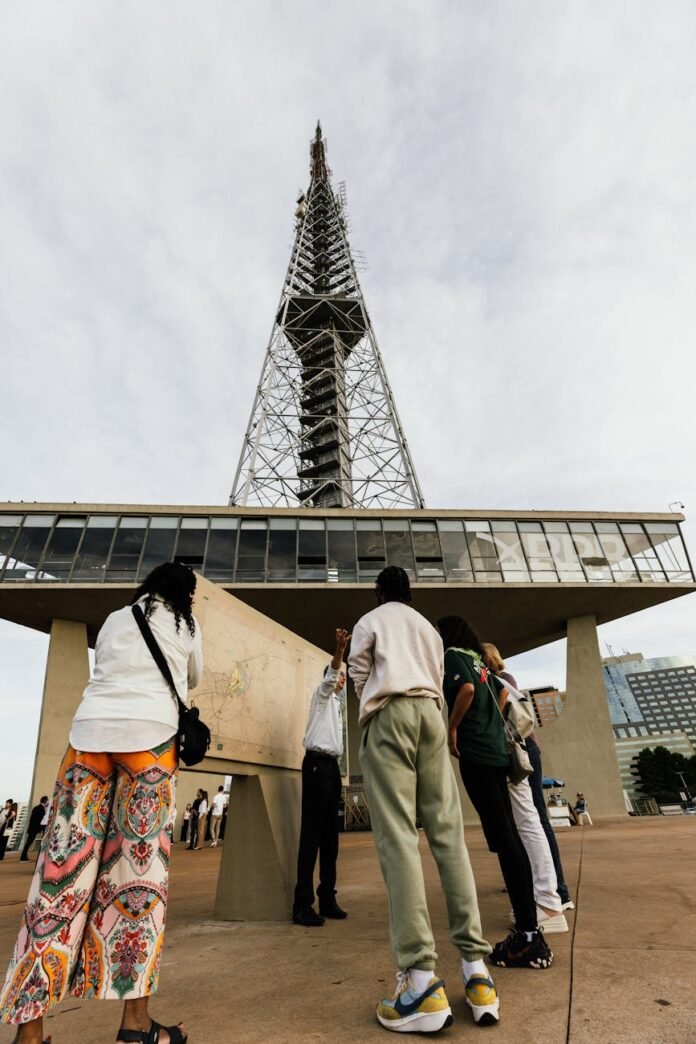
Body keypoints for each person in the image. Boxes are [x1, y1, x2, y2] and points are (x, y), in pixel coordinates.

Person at [0, 561, 203, 1044]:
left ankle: (30, 1034)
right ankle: (135, 1027)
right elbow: (192, 678)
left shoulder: (116, 618)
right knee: (140, 885)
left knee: (56, 885)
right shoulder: (187, 624)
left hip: (87, 741)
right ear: (187, 595)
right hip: (149, 746)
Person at [349, 568, 499, 1033]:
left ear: (379, 592)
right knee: (448, 839)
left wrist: (372, 702)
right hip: (432, 716)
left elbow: (357, 670)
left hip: (390, 712)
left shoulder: (371, 621)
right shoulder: (427, 629)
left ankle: (420, 981)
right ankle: (477, 973)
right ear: (410, 592)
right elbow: (437, 676)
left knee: (398, 840)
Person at [436, 616, 553, 971]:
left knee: (503, 838)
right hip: (499, 755)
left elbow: (467, 692)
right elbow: (502, 691)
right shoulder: (479, 659)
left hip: (478, 755)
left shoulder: (454, 657)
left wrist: (453, 727)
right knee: (509, 836)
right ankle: (529, 928)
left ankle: (529, 936)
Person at [481, 644, 568, 934]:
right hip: (523, 748)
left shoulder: (501, 679)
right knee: (529, 822)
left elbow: (503, 700)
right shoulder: (503, 678)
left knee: (534, 820)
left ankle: (553, 897)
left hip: (517, 750)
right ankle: (548, 895)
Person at [293, 628, 350, 927]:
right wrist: (339, 649)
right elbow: (330, 677)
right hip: (316, 766)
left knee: (331, 839)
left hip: (331, 769)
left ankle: (327, 897)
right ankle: (302, 905)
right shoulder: (321, 695)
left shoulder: (338, 708)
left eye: (344, 677)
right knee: (312, 836)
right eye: (340, 675)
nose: (343, 679)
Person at [19, 797, 49, 863]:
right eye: (47, 801)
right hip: (34, 828)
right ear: (45, 801)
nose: (48, 802)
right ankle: (23, 857)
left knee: (28, 843)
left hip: (33, 828)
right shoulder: (40, 808)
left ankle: (24, 856)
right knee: (28, 843)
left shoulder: (37, 807)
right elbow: (40, 820)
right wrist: (43, 827)